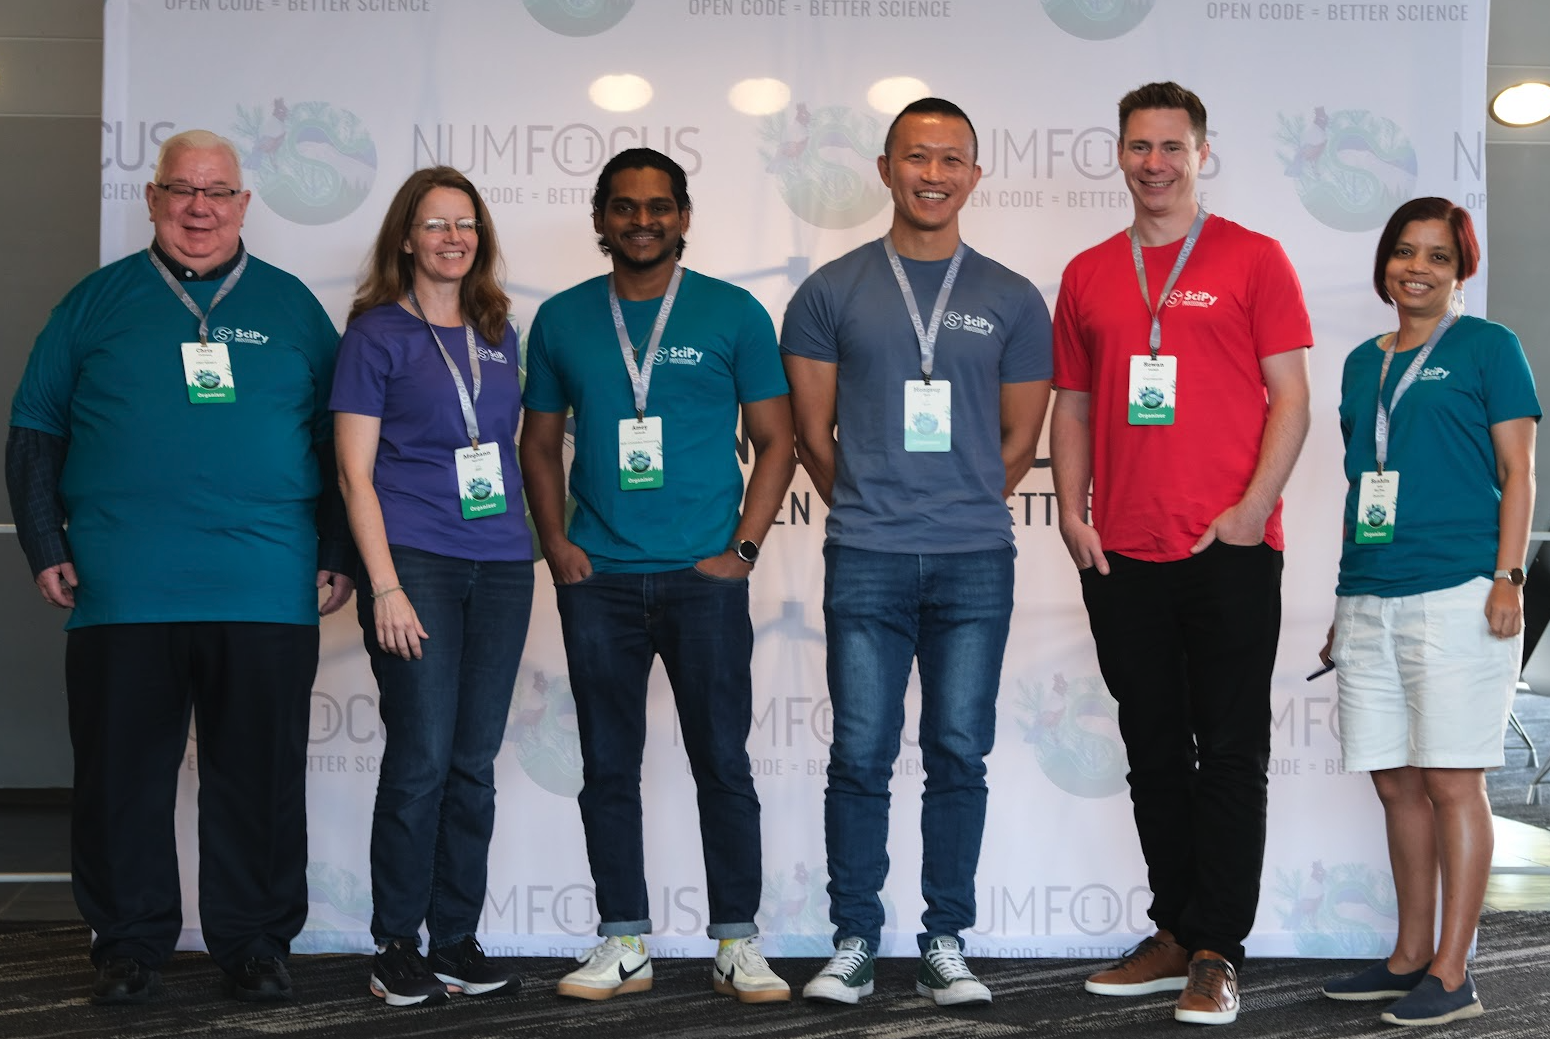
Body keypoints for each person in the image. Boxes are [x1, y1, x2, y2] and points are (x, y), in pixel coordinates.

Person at [4, 130, 353, 1004]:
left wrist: (338, 552)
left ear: (244, 203)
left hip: (268, 586)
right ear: (154, 198)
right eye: (182, 190)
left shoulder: (292, 306)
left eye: (219, 192)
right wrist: (47, 542)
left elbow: (340, 443)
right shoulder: (95, 303)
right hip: (123, 588)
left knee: (259, 780)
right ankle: (127, 943)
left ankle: (257, 942)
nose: (200, 208)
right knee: (122, 778)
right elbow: (34, 431)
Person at [1049, 82, 1313, 1026]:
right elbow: (1072, 405)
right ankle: (1173, 930)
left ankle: (1216, 949)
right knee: (1152, 749)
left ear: (1203, 152)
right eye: (1137, 146)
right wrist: (1073, 513)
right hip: (1121, 551)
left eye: (1171, 146)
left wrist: (1251, 510)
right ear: (1119, 154)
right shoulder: (1087, 273)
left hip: (1230, 549)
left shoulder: (1254, 258)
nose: (1153, 162)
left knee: (1231, 753)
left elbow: (1292, 397)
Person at [782, 97, 1052, 1007]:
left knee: (957, 752)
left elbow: (1021, 438)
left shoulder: (1013, 297)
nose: (933, 175)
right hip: (865, 553)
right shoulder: (831, 290)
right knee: (859, 753)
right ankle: (855, 937)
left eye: (951, 160)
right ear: (886, 168)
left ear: (976, 175)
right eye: (916, 157)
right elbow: (811, 435)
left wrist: (957, 503)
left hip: (977, 557)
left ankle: (945, 938)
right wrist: (874, 505)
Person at [519, 147, 795, 1004]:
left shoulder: (733, 313)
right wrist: (557, 544)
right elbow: (536, 442)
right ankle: (623, 940)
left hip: (702, 579)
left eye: (660, 206)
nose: (644, 221)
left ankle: (736, 942)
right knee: (607, 764)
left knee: (724, 762)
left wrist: (741, 552)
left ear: (684, 216)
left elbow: (778, 441)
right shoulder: (563, 319)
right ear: (600, 219)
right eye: (626, 207)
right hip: (597, 578)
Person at [1317, 198, 1537, 1027]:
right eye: (1405, 252)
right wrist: (1347, 598)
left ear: (1460, 269)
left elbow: (1520, 472)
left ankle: (1456, 969)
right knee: (1395, 781)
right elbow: (1360, 484)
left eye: (1438, 256)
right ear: (1384, 264)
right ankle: (1409, 956)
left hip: (1459, 589)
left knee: (1451, 778)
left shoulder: (1489, 347)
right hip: (1370, 590)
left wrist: (1509, 573)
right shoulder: (1357, 363)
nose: (1418, 267)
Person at [332, 167, 534, 1008]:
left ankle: (454, 939)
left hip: (503, 563)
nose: (453, 237)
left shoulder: (498, 329)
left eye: (466, 224)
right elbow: (353, 471)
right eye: (435, 224)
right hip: (415, 558)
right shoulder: (376, 334)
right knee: (419, 757)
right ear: (406, 239)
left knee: (473, 763)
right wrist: (383, 585)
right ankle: (396, 944)